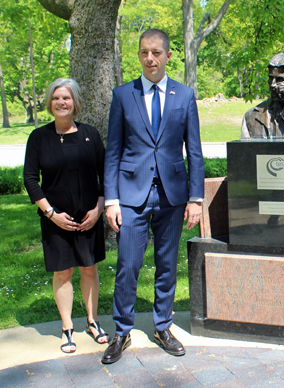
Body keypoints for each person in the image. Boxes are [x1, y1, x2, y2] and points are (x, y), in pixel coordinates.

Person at [102, 28, 204, 364]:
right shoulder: (123, 95)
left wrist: (196, 198)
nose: (150, 59)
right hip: (131, 195)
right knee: (127, 265)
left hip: (173, 195)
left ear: (168, 56)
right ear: (139, 56)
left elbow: (196, 152)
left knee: (166, 265)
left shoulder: (185, 95)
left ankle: (163, 326)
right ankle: (121, 331)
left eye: (157, 52)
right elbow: (113, 152)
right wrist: (112, 200)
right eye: (144, 52)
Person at [24, 78, 109, 354]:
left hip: (88, 218)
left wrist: (98, 209)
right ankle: (67, 328)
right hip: (55, 219)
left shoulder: (90, 134)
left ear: (76, 103)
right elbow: (30, 179)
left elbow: (105, 174)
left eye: (67, 98)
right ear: (50, 103)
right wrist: (50, 213)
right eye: (56, 98)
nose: (61, 102)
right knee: (62, 272)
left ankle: (93, 322)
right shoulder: (38, 137)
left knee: (89, 268)